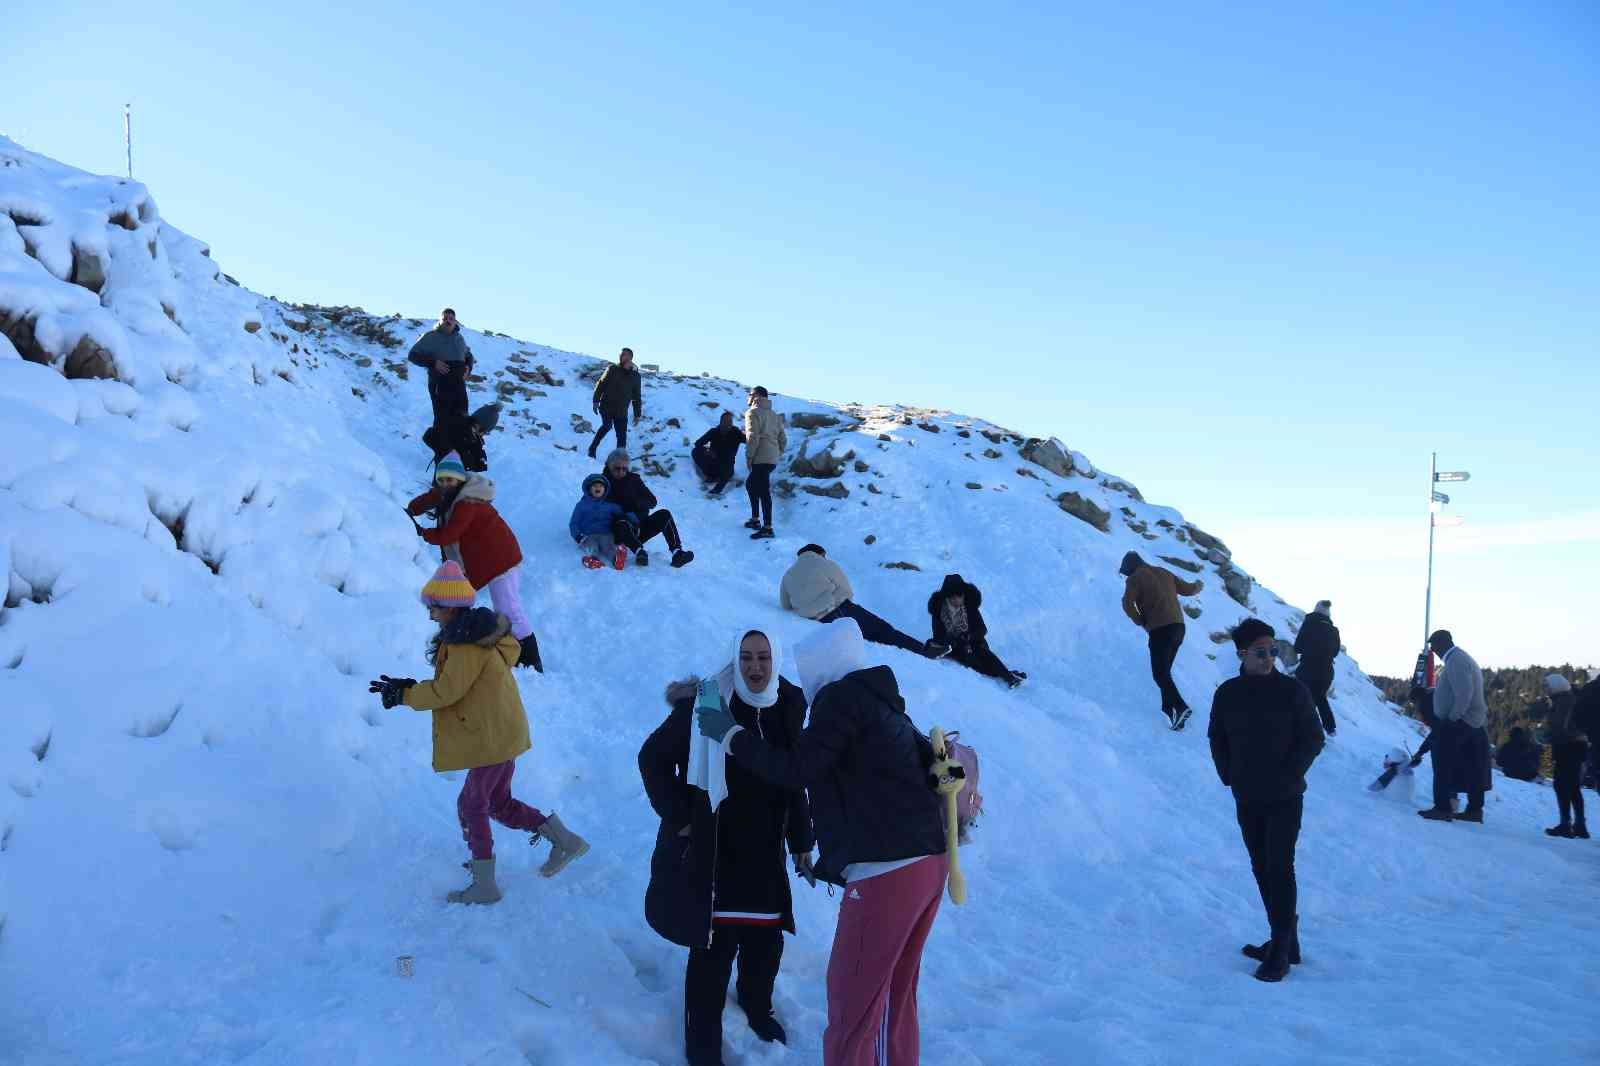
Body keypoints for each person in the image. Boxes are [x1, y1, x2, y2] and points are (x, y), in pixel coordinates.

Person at [694, 619, 949, 1066]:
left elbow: (796, 771)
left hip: (887, 873)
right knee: (892, 993)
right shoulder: (879, 701)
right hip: (927, 862)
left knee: (853, 1000)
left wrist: (729, 734)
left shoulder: (840, 700)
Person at [639, 629, 814, 1066]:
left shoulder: (786, 705)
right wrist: (681, 816)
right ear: (735, 659)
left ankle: (757, 1005)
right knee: (712, 956)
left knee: (765, 945)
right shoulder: (707, 703)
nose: (756, 667)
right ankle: (702, 1049)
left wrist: (802, 839)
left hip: (765, 852)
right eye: (747, 657)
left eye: (764, 657)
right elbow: (653, 758)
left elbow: (793, 777)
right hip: (714, 851)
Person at [367, 562, 587, 902]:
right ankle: (564, 840)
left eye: (434, 607)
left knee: (472, 804)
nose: (430, 615)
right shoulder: (475, 635)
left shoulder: (465, 645)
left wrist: (405, 695)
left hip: (493, 737)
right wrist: (407, 686)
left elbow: (446, 692)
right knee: (497, 802)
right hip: (499, 731)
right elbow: (453, 685)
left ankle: (486, 884)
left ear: (452, 608)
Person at [1206, 618, 1325, 983]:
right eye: (1261, 652)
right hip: (1247, 795)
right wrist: (1229, 775)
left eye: (1274, 650)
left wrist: (1290, 773)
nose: (1270, 658)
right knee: (1260, 866)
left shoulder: (1293, 691)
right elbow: (1216, 737)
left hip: (1285, 796)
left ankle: (1281, 945)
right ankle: (1285, 939)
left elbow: (1313, 738)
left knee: (1279, 866)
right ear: (1242, 654)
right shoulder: (1228, 693)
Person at [406, 453, 541, 670]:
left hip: (501, 559)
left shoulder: (467, 502)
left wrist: (422, 532)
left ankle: (530, 660)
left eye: (450, 480)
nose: (445, 484)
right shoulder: (449, 492)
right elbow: (430, 498)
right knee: (500, 606)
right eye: (441, 479)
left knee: (508, 609)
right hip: (489, 557)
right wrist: (411, 509)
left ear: (460, 480)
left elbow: (449, 534)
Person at [781, 545, 941, 658]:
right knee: (884, 630)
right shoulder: (824, 563)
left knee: (866, 639)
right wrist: (831, 600)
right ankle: (924, 650)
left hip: (819, 620)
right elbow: (847, 590)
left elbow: (785, 604)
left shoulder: (787, 575)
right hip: (841, 609)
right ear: (820, 553)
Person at [1119, 552, 1203, 730]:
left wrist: (1140, 620)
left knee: (1160, 674)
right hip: (1179, 628)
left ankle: (1180, 707)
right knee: (1164, 672)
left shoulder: (1134, 578)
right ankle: (1169, 711)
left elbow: (1127, 604)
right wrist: (1198, 586)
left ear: (1130, 567)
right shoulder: (1164, 572)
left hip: (1160, 630)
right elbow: (1188, 590)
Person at [1418, 630, 1491, 824]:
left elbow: (1464, 692)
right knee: (1472, 766)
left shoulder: (1456, 660)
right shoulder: (1460, 657)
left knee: (1443, 763)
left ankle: (1443, 808)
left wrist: (1452, 718)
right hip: (1472, 720)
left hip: (1461, 721)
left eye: (1433, 646)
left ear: (1442, 644)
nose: (1433, 650)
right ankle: (1474, 810)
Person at [926, 573, 1025, 688]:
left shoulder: (970, 607)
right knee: (979, 666)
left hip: (975, 643)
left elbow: (982, 629)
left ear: (964, 594)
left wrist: (968, 636)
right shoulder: (939, 610)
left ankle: (1009, 677)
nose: (956, 599)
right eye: (952, 596)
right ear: (947, 596)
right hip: (955, 647)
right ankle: (1005, 673)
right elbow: (938, 635)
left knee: (984, 655)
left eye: (959, 595)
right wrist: (952, 640)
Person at [601, 448, 695, 568]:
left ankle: (677, 552)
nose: (621, 472)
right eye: (617, 468)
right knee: (622, 522)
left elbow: (652, 501)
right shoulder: (602, 482)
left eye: (624, 469)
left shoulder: (634, 480)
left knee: (664, 514)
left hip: (639, 527)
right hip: (618, 531)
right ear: (609, 466)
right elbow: (591, 503)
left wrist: (637, 503)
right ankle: (639, 551)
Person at [1540, 673, 1589, 838]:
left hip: (1568, 746)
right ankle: (1580, 825)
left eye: (1547, 686)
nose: (1545, 689)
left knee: (1561, 785)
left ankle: (1565, 824)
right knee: (1573, 785)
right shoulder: (1570, 698)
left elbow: (1560, 727)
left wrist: (1547, 736)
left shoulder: (1563, 701)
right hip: (1578, 746)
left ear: (1556, 686)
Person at [407, 308, 474, 425]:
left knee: (462, 419)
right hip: (440, 384)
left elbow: (469, 356)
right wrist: (433, 363)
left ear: (455, 321)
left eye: (451, 319)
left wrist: (468, 367)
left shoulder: (459, 338)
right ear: (440, 321)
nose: (448, 321)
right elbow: (413, 355)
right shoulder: (430, 336)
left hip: (459, 385)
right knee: (443, 421)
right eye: (445, 319)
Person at [742, 386, 786, 540]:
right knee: (752, 485)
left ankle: (767, 528)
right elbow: (783, 440)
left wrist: (749, 457)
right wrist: (776, 454)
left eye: (750, 394)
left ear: (757, 396)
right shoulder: (774, 415)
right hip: (771, 458)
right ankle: (755, 520)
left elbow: (752, 437)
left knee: (763, 490)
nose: (748, 396)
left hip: (760, 457)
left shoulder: (752, 413)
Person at [1293, 600, 1340, 735]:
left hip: (1307, 668)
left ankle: (1303, 729)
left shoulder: (1309, 624)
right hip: (1326, 671)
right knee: (1319, 698)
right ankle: (1330, 729)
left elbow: (1298, 647)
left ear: (1315, 610)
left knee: (1301, 697)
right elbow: (1335, 652)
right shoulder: (1334, 630)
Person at [589, 347, 643, 457]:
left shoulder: (636, 376)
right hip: (606, 407)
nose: (623, 356)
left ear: (631, 358)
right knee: (607, 426)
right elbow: (601, 384)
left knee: (622, 437)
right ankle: (592, 448)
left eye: (625, 355)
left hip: (621, 411)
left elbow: (636, 396)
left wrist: (637, 414)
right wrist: (595, 401)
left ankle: (620, 460)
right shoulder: (612, 369)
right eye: (622, 354)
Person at [569, 473, 626, 570]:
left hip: (606, 534)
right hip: (589, 535)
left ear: (605, 489)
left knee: (608, 547)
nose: (598, 488)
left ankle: (616, 559)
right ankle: (593, 559)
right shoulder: (582, 505)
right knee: (591, 546)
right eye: (595, 486)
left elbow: (622, 515)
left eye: (601, 486)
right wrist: (578, 536)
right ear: (589, 489)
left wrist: (630, 518)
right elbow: (574, 523)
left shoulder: (610, 505)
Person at [692, 411, 746, 495]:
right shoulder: (714, 431)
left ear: (732, 423)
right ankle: (712, 477)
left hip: (727, 468)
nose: (727, 424)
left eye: (729, 422)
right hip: (711, 466)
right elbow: (698, 443)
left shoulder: (736, 433)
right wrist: (707, 451)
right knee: (695, 451)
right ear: (720, 422)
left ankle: (717, 487)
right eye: (725, 422)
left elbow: (749, 440)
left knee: (728, 462)